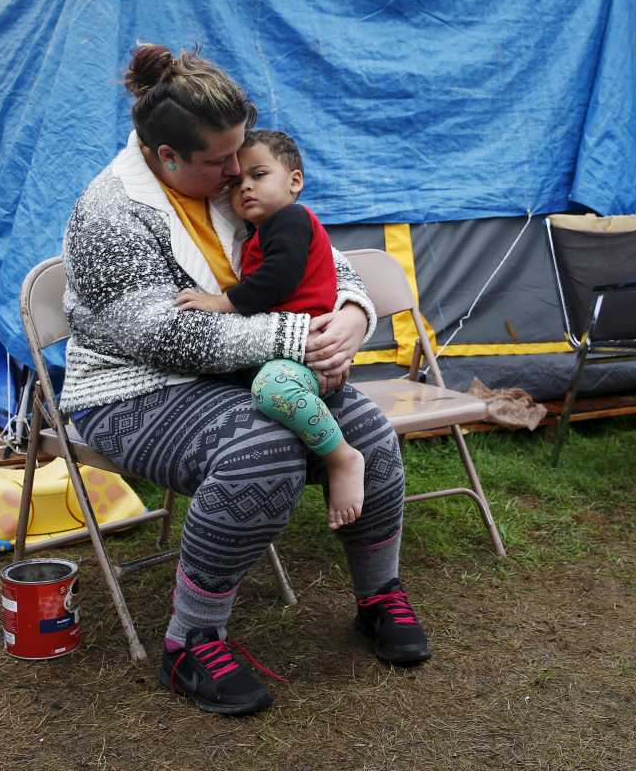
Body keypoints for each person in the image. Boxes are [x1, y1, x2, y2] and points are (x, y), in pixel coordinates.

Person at [62, 44, 430, 717]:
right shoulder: (108, 212)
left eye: (241, 156)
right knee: (262, 450)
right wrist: (302, 338)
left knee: (369, 432)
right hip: (130, 386)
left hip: (247, 368)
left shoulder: (235, 187)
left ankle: (379, 595)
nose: (238, 171)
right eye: (219, 161)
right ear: (167, 157)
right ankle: (190, 641)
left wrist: (351, 314)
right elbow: (163, 334)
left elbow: (322, 258)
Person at [174, 129, 366, 530]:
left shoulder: (291, 219)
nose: (245, 187)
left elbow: (278, 281)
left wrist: (221, 302)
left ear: (294, 181)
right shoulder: (260, 234)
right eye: (236, 182)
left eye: (258, 175)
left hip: (305, 352)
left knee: (272, 389)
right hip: (283, 351)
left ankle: (342, 457)